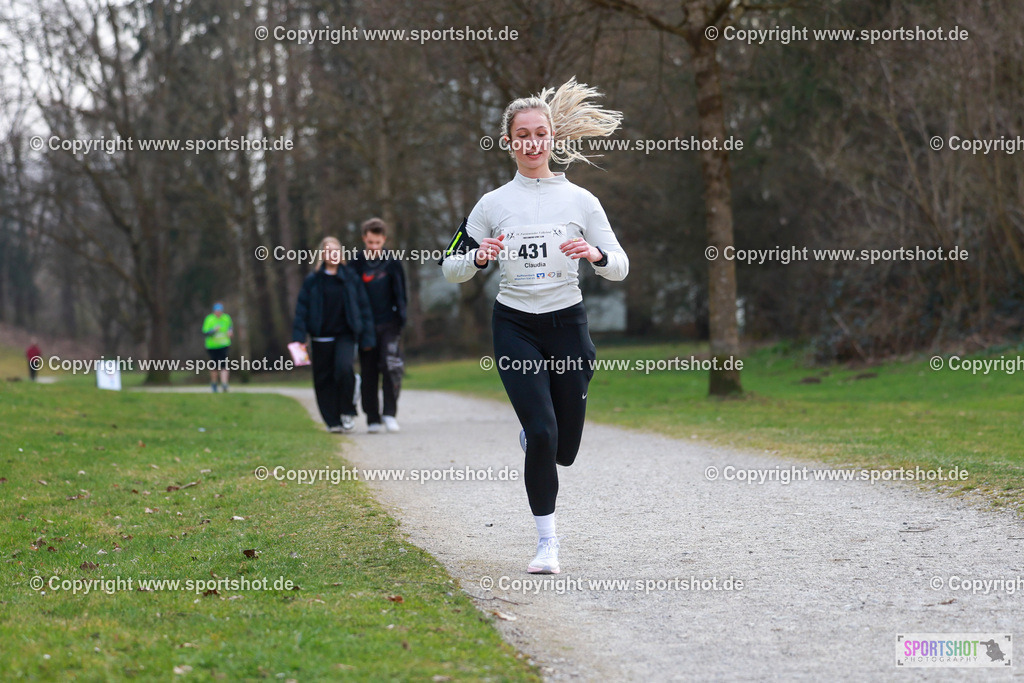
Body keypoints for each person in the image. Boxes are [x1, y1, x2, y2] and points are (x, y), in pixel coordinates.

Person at [441, 77, 628, 574]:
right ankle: (547, 542)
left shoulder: (582, 201)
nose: (531, 142)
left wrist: (595, 253)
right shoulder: (492, 204)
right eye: (521, 135)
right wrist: (477, 257)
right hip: (515, 326)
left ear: (552, 139)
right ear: (509, 143)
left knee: (563, 449)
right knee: (543, 432)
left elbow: (621, 265)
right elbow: (449, 266)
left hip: (568, 325)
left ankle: (537, 440)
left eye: (539, 133)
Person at [292, 236, 376, 433]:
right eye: (329, 251)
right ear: (322, 254)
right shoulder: (313, 280)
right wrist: (298, 340)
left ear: (341, 254)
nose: (333, 254)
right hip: (320, 337)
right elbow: (301, 311)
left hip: (345, 335)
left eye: (336, 251)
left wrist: (367, 337)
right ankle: (333, 421)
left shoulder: (351, 278)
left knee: (344, 368)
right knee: (323, 380)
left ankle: (348, 410)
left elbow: (363, 307)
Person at [351, 218, 407, 433]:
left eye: (377, 242)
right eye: (370, 242)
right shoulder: (356, 264)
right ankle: (372, 417)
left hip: (390, 324)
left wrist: (401, 319)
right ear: (364, 238)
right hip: (365, 327)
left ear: (384, 239)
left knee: (391, 368)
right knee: (369, 372)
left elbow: (401, 293)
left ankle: (389, 414)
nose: (374, 246)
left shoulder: (393, 263)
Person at [202, 303, 233, 392]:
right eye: (217, 311)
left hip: (224, 345)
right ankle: (214, 383)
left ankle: (224, 384)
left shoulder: (226, 318)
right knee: (214, 366)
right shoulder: (209, 319)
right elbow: (205, 333)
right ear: (214, 311)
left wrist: (230, 332)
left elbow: (230, 327)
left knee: (224, 365)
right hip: (212, 346)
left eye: (220, 311)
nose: (218, 313)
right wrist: (213, 330)